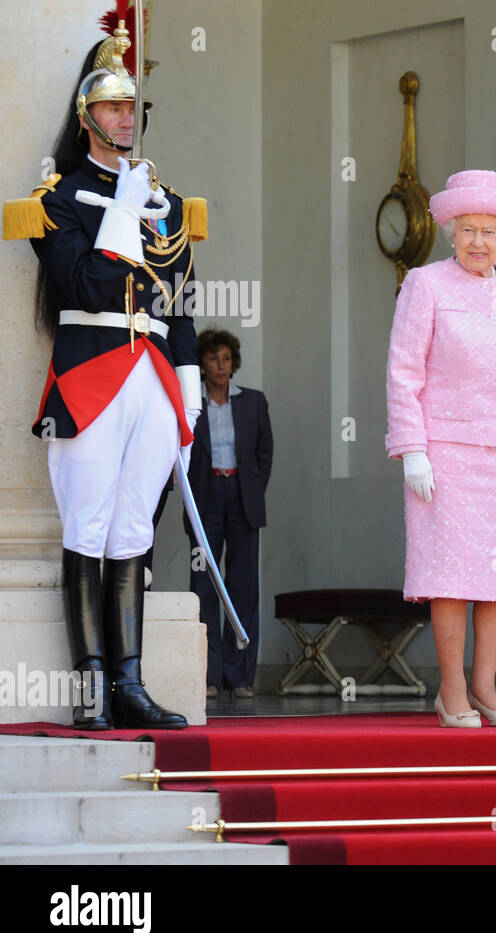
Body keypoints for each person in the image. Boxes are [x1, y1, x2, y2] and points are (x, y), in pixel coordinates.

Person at [12, 17, 201, 730]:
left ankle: (130, 683)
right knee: (87, 529)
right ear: (88, 118)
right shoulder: (56, 201)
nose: (126, 118)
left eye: (132, 107)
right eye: (113, 107)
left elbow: (179, 302)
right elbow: (85, 287)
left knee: (132, 535)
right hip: (91, 373)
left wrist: (189, 396)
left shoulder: (167, 201)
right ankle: (90, 685)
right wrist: (118, 218)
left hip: (153, 379)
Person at [385, 169, 496, 729]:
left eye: (490, 230)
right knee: (451, 575)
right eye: (468, 230)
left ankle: (485, 686)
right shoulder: (426, 285)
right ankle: (451, 687)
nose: (479, 241)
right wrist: (412, 450)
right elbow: (403, 371)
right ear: (451, 232)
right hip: (446, 455)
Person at [186, 328, 272, 700]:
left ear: (233, 362)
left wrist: (251, 490)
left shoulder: (253, 401)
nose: (221, 365)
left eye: (226, 358)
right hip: (206, 499)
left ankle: (239, 676)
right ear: (202, 365)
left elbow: (264, 455)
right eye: (212, 358)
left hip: (242, 498)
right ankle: (208, 675)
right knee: (204, 587)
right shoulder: (193, 403)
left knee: (243, 588)